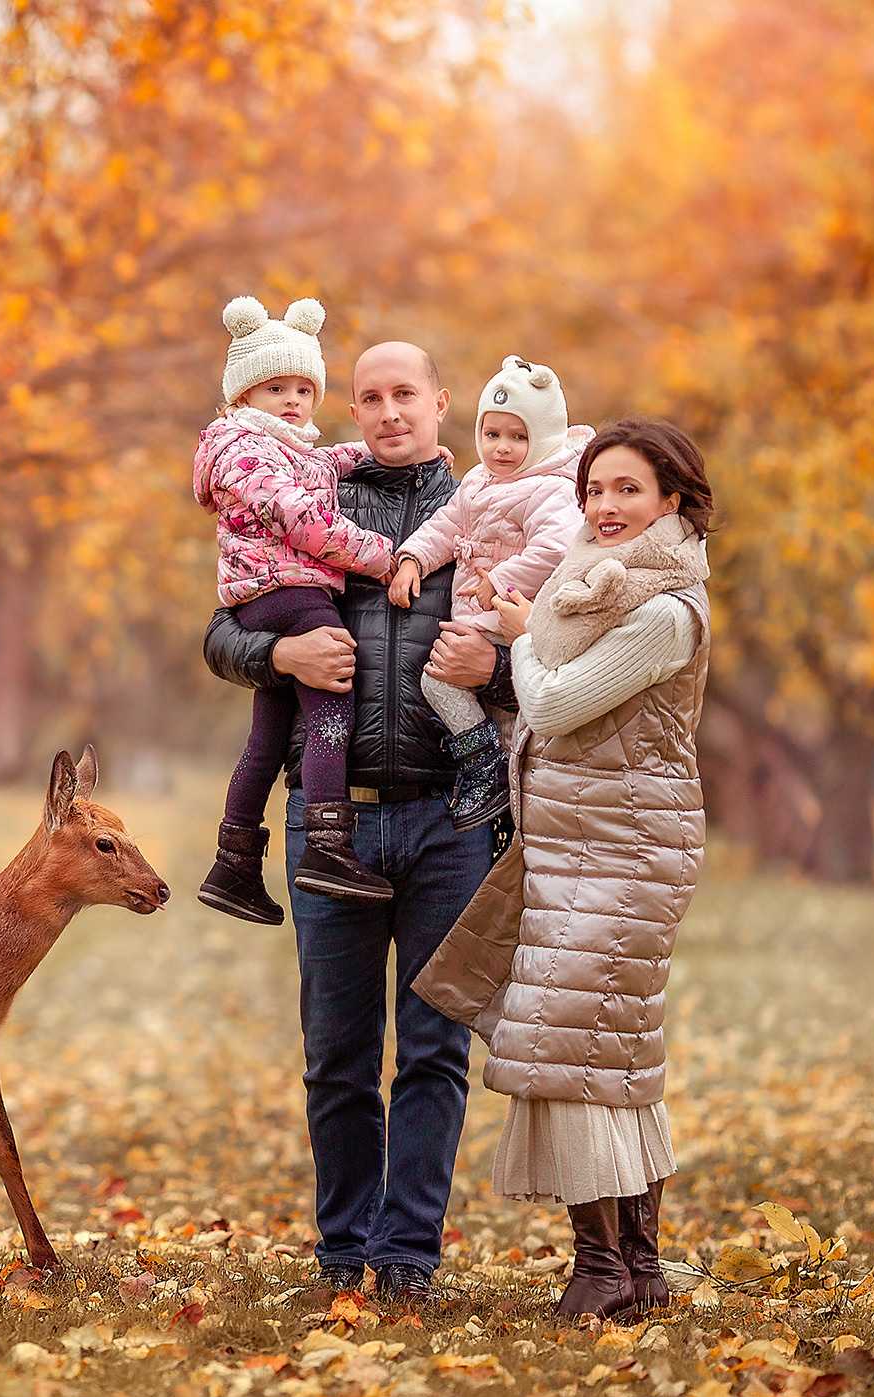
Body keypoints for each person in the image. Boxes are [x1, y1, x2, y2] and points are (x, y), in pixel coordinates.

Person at [202, 341, 515, 1301]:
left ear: (439, 402)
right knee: (337, 1054)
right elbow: (222, 629)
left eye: (405, 395)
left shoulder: (494, 510)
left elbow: (544, 649)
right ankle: (343, 1255)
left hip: (447, 818)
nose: (387, 412)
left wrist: (493, 675)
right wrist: (278, 661)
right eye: (369, 396)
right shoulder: (303, 493)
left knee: (433, 1050)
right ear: (352, 407)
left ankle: (408, 1259)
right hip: (329, 817)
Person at [412, 415, 715, 1320]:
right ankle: (640, 1270)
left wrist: (517, 639)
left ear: (673, 500)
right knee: (609, 1051)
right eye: (593, 490)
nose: (606, 507)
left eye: (628, 489)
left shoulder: (664, 610)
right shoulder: (592, 589)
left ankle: (603, 1269)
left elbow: (551, 698)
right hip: (579, 841)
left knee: (568, 1044)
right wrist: (530, 626)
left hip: (623, 850)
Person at [195, 296, 398, 923]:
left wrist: (368, 456)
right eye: (274, 386)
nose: (292, 400)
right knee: (333, 692)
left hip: (273, 596)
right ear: (241, 395)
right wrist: (382, 555)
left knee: (266, 736)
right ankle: (327, 843)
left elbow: (320, 466)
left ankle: (233, 862)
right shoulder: (243, 451)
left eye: (304, 388)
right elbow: (301, 518)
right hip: (287, 593)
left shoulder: (280, 446)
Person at [388, 356, 590, 832]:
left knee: (438, 679)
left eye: (518, 437)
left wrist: (499, 580)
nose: (501, 448)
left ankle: (485, 767)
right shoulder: (479, 481)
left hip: (511, 615)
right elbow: (445, 525)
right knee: (460, 687)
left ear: (543, 438)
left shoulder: (551, 489)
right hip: (478, 617)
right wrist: (412, 559)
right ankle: (489, 772)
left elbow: (556, 550)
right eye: (492, 433)